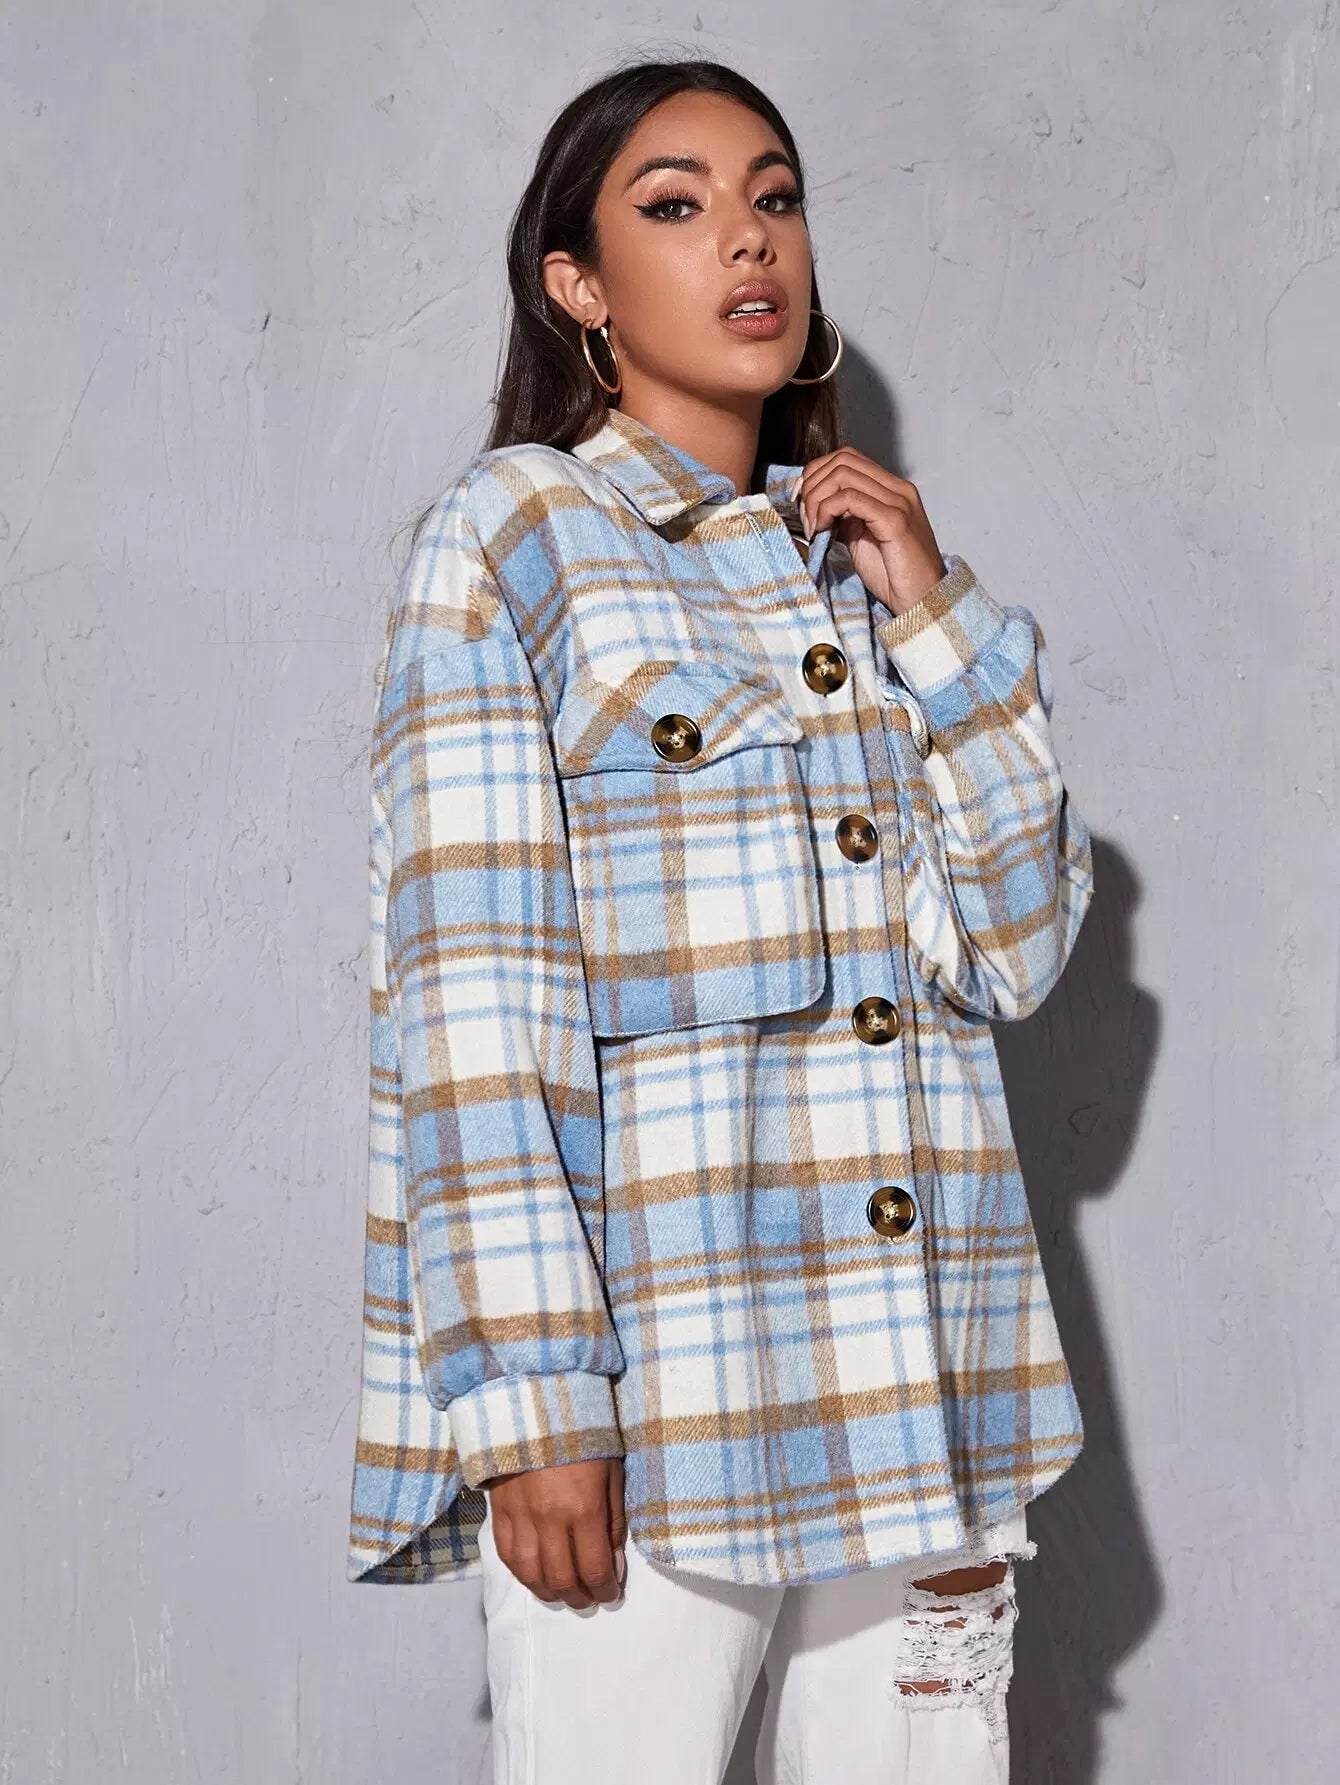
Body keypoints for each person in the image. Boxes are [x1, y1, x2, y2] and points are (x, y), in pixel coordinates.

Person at [346, 55, 1095, 1785]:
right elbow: (471, 1000)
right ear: (581, 286)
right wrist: (535, 1398)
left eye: (776, 197)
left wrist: (935, 613)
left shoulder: (860, 572)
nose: (750, 241)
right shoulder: (514, 538)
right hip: (672, 1393)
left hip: (932, 1375)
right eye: (676, 207)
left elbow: (1015, 949)